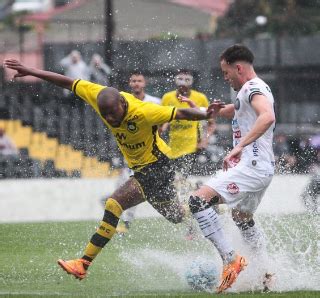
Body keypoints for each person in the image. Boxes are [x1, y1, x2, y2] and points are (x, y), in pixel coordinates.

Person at [3, 58, 220, 281]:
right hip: (144, 170)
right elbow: (67, 82)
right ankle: (213, 203)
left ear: (123, 105)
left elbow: (180, 114)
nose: (109, 119)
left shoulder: (144, 111)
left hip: (156, 167)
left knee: (114, 204)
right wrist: (31, 71)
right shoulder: (98, 95)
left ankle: (83, 263)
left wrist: (206, 114)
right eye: (104, 115)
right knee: (177, 215)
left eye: (113, 115)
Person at [187, 44, 276, 293]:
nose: (225, 77)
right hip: (262, 169)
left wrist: (240, 147)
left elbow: (267, 117)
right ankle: (265, 271)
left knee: (197, 201)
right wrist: (215, 112)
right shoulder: (250, 90)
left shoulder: (253, 88)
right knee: (241, 217)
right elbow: (240, 110)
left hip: (252, 166)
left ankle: (230, 259)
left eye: (226, 73)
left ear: (238, 68)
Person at [116, 71, 162, 234]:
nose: (136, 83)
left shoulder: (155, 102)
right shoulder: (123, 101)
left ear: (144, 83)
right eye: (133, 81)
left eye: (139, 81)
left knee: (148, 188)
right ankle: (125, 223)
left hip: (151, 152)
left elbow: (163, 122)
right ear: (129, 83)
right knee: (124, 186)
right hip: (132, 152)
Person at [161, 69, 216, 177]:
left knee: (185, 179)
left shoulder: (200, 98)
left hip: (193, 147)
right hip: (171, 147)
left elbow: (212, 123)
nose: (183, 83)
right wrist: (162, 128)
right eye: (180, 79)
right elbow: (162, 119)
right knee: (173, 180)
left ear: (192, 81)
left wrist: (205, 140)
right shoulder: (167, 97)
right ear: (175, 81)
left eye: (187, 80)